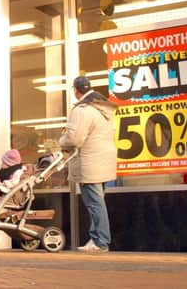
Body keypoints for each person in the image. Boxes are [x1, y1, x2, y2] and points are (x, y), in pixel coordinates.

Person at [59, 76, 117, 253]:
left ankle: (101, 242)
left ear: (76, 90)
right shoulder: (103, 108)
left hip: (90, 162)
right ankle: (97, 238)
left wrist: (61, 142)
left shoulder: (82, 110)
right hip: (103, 161)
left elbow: (74, 138)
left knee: (94, 203)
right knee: (98, 202)